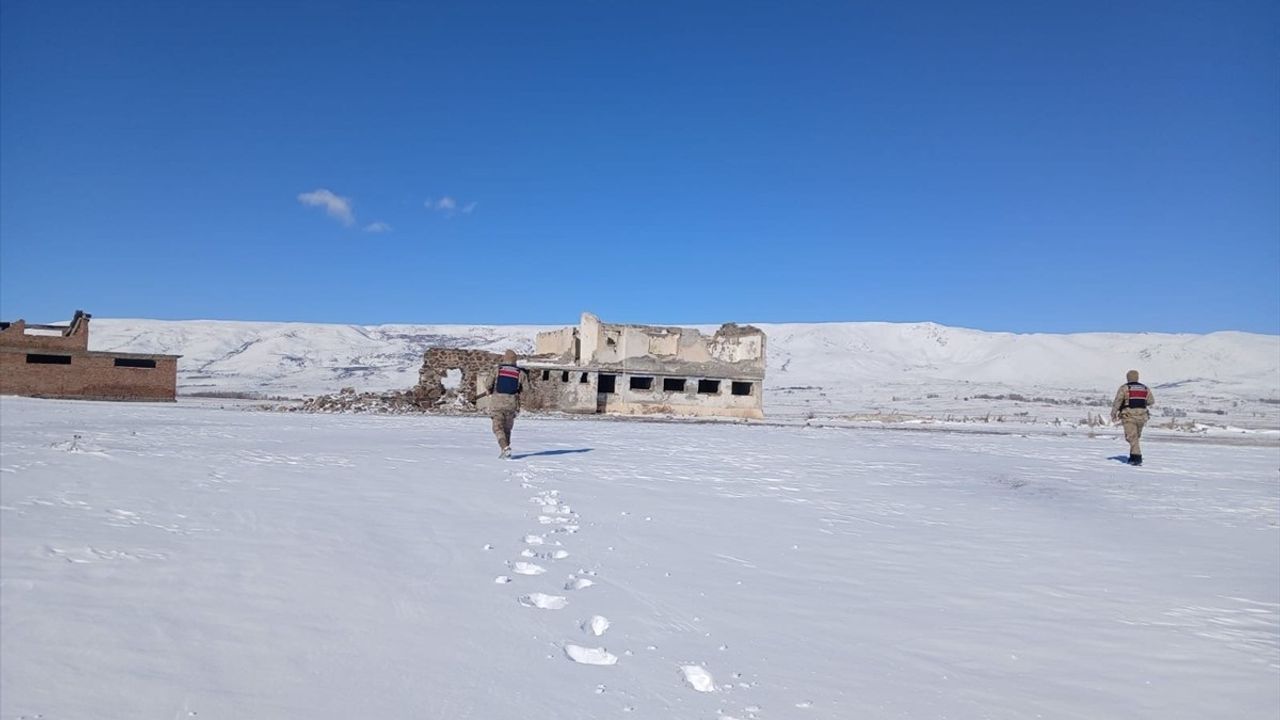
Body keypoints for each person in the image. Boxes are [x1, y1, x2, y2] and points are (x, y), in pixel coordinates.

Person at [480, 349, 526, 459]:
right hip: (512, 404)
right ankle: (505, 452)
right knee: (507, 429)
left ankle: (505, 448)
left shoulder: (497, 370)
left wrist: (488, 390)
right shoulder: (520, 373)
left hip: (497, 404)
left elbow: (488, 384)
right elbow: (526, 390)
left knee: (498, 428)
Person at [1111, 369, 1154, 466]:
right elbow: (1151, 401)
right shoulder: (1145, 388)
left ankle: (1136, 458)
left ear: (1128, 378)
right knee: (1135, 437)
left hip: (1128, 416)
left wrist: (1113, 413)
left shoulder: (1124, 388)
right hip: (1142, 417)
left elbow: (1118, 401)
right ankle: (1133, 456)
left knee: (1132, 438)